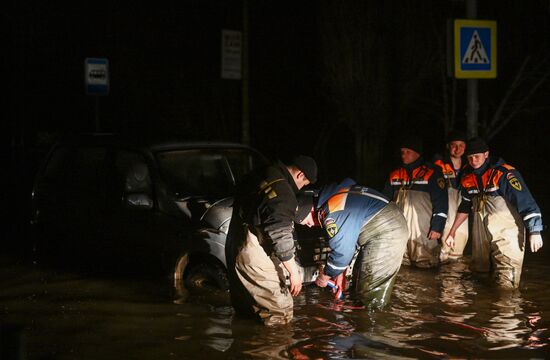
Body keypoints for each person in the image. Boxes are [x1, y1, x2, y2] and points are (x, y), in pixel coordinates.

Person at [225, 155, 318, 326]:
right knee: (279, 312)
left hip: (235, 240)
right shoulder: (283, 193)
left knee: (246, 310)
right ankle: (275, 351)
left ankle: (241, 349)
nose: (301, 189)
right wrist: (294, 272)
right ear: (300, 175)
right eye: (304, 183)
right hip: (252, 250)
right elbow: (280, 234)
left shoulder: (264, 171)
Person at [444, 137, 543, 288]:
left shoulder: (504, 174)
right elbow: (465, 206)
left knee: (506, 283)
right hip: (481, 237)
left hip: (507, 235)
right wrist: (452, 232)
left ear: (486, 154)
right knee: (480, 279)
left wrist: (535, 231)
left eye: (477, 156)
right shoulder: (467, 177)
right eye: (470, 157)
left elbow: (526, 202)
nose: (473, 160)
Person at [299, 178, 408, 308]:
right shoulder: (337, 195)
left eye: (306, 222)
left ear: (310, 210)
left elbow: (342, 253)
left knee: (371, 292)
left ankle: (373, 323)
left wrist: (326, 276)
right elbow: (349, 241)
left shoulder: (332, 212)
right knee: (360, 282)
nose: (310, 226)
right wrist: (340, 273)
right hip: (384, 223)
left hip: (386, 230)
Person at [383, 135, 448, 268]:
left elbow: (441, 203)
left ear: (417, 153)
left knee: (425, 263)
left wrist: (437, 227)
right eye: (402, 152)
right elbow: (385, 201)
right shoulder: (395, 174)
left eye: (408, 152)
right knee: (401, 264)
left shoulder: (432, 173)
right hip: (399, 229)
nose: (404, 155)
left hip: (423, 229)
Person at [433, 130, 469, 262]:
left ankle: (454, 276)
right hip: (444, 208)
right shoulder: (439, 163)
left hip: (463, 210)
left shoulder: (470, 165)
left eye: (461, 145)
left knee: (459, 245)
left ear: (465, 147)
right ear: (448, 146)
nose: (457, 149)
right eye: (454, 145)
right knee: (442, 247)